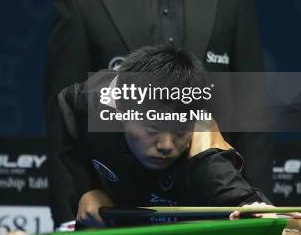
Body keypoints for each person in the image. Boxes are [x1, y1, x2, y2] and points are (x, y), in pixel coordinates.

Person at [44, 0, 272, 227]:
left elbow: (253, 106)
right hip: (120, 200)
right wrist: (79, 194)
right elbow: (63, 114)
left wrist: (259, 209)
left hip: (214, 194)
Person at [58, 45, 272, 228]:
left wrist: (271, 217)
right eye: (152, 128)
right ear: (120, 110)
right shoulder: (93, 102)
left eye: (180, 130)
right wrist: (88, 188)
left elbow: (249, 204)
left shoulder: (204, 156)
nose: (166, 145)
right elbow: (65, 107)